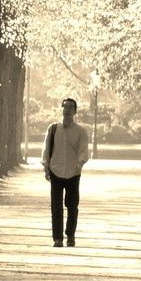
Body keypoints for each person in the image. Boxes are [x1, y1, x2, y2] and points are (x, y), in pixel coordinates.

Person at [42, 97, 91, 246]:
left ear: (75, 111)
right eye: (65, 107)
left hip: (73, 172)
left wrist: (80, 163)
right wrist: (46, 167)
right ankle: (57, 238)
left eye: (70, 107)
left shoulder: (81, 132)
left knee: (72, 206)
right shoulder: (53, 129)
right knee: (56, 207)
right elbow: (46, 148)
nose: (67, 109)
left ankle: (70, 235)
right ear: (62, 109)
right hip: (56, 171)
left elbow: (83, 150)